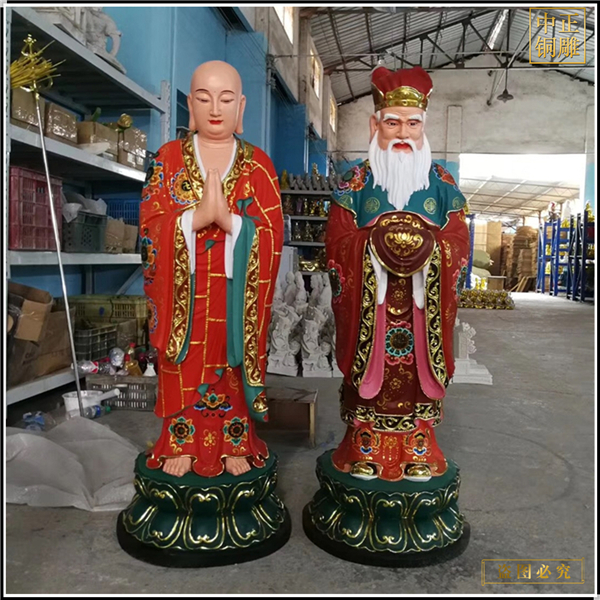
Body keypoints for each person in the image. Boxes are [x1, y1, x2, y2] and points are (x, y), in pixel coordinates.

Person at [326, 65, 470, 483]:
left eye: (412, 123)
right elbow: (336, 242)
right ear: (375, 126)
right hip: (373, 309)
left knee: (417, 379)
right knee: (371, 375)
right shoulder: (355, 182)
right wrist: (371, 247)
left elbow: (459, 241)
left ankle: (418, 446)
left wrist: (430, 250)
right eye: (393, 123)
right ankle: (364, 445)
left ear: (424, 127)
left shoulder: (442, 183)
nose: (403, 133)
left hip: (422, 312)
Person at [140, 61, 283, 478]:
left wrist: (233, 224)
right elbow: (149, 228)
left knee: (231, 362)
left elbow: (273, 235)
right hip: (184, 294)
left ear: (241, 107)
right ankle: (180, 441)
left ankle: (234, 439)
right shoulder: (168, 159)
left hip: (235, 293)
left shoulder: (258, 165)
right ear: (190, 106)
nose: (215, 109)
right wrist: (194, 219)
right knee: (183, 360)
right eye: (204, 99)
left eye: (226, 99)